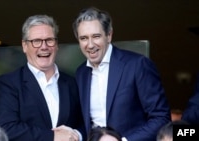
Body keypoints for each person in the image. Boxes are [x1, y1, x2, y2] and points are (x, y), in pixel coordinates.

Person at [73, 7, 171, 141]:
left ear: (109, 35)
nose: (90, 45)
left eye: (96, 36)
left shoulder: (137, 65)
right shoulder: (81, 73)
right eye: (83, 38)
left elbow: (161, 118)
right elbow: (85, 123)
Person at [0, 15, 84, 141]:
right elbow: (5, 128)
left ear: (56, 44)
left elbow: (84, 123)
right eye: (36, 41)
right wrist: (52, 136)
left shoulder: (72, 83)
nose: (44, 46)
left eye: (49, 40)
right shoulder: (9, 83)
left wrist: (77, 136)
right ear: (25, 46)